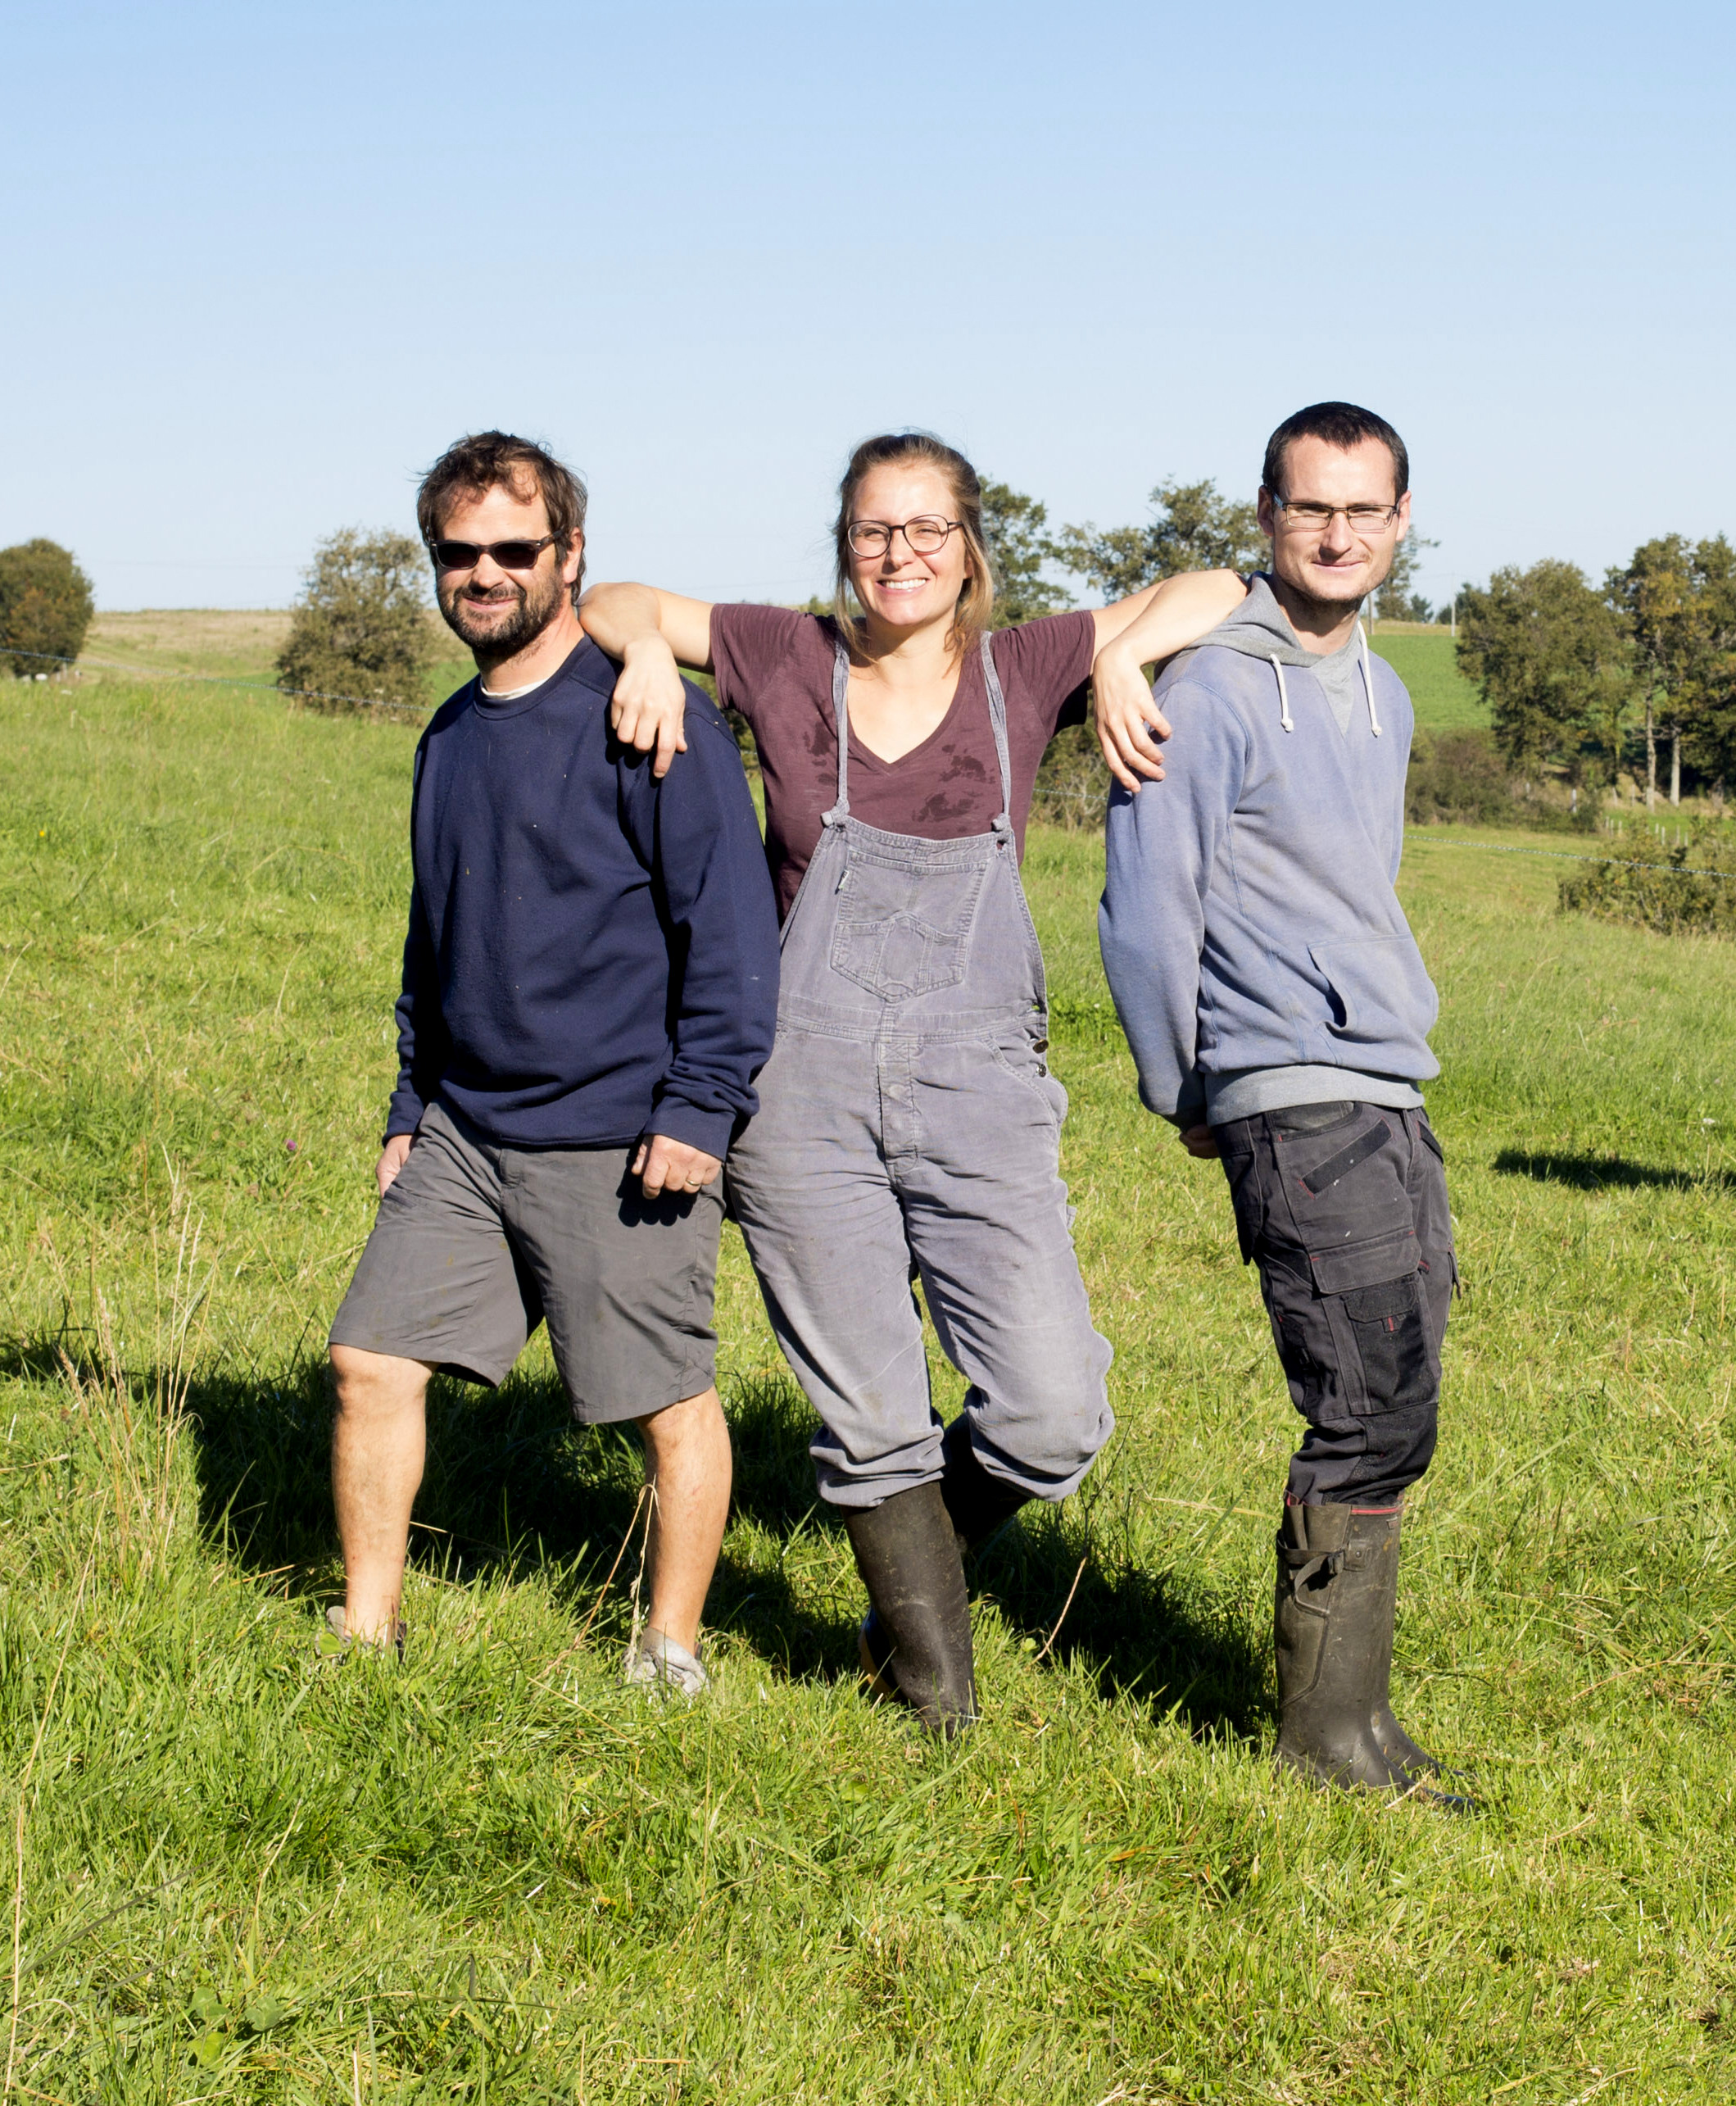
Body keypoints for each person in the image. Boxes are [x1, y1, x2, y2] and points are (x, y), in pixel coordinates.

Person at [581, 431, 1245, 1734]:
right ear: (846, 544)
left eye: (929, 529)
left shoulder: (1025, 665)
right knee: (874, 1411)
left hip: (979, 1080)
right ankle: (933, 1698)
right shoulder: (785, 652)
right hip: (803, 1082)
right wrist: (653, 648)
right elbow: (611, 600)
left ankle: (909, 1568)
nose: (902, 555)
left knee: (1056, 1412)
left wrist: (1119, 649)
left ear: (970, 546)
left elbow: (1220, 583)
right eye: (876, 531)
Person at [325, 431, 780, 1696]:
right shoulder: (449, 736)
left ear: (569, 555)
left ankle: (669, 1645)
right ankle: (366, 1636)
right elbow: (435, 938)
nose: (484, 573)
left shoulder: (653, 718)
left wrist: (701, 1106)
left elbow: (731, 935)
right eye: (458, 553)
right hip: (467, 1128)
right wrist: (411, 1101)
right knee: (368, 1360)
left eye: (512, 550)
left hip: (620, 1132)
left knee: (662, 1400)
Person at [1098, 401, 1462, 1794]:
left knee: (1404, 1390)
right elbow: (1147, 908)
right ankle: (1325, 1740)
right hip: (1289, 1087)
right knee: (1363, 1396)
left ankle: (1357, 1720)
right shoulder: (1209, 689)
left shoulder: (1391, 690)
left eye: (1365, 511)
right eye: (1312, 508)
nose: (1339, 533)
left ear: (1401, 523)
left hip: (1388, 1078)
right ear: (1265, 515)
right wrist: (1184, 1080)